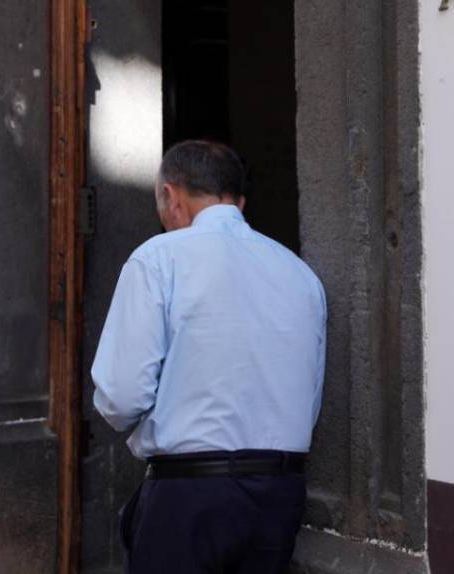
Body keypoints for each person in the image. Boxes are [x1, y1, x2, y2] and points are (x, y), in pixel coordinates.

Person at [91, 139, 327, 574]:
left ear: (169, 195)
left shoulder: (158, 258)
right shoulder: (299, 273)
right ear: (238, 201)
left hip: (190, 493)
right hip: (280, 493)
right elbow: (306, 402)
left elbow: (121, 397)